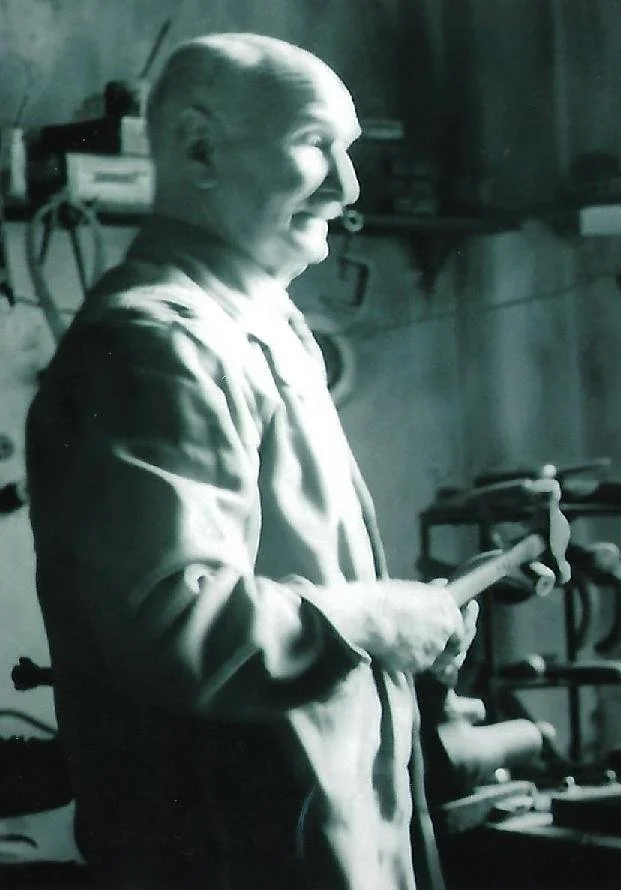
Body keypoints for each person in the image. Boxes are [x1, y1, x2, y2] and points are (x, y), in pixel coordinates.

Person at [24, 33, 477, 890]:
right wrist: (371, 620)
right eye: (316, 146)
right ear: (199, 147)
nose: (349, 189)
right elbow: (175, 625)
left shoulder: (255, 330)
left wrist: (408, 631)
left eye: (352, 153)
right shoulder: (160, 344)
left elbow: (295, 593)